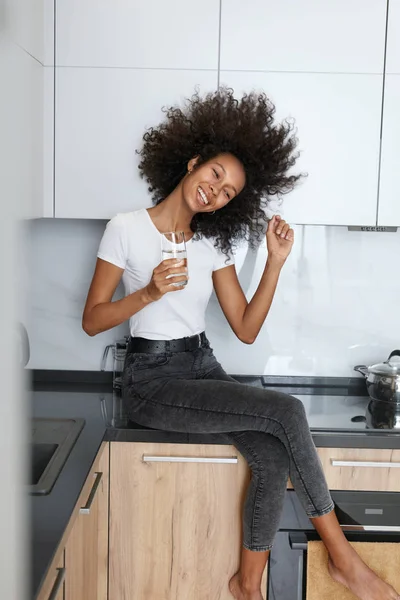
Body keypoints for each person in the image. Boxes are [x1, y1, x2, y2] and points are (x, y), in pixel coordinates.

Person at [82, 88, 399, 600]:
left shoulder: (211, 245)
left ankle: (246, 586)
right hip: (152, 380)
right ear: (192, 163)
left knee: (272, 456)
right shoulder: (125, 229)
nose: (217, 191)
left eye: (228, 191)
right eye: (215, 175)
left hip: (203, 367)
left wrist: (273, 262)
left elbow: (246, 328)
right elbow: (93, 320)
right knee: (289, 412)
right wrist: (148, 292)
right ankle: (345, 560)